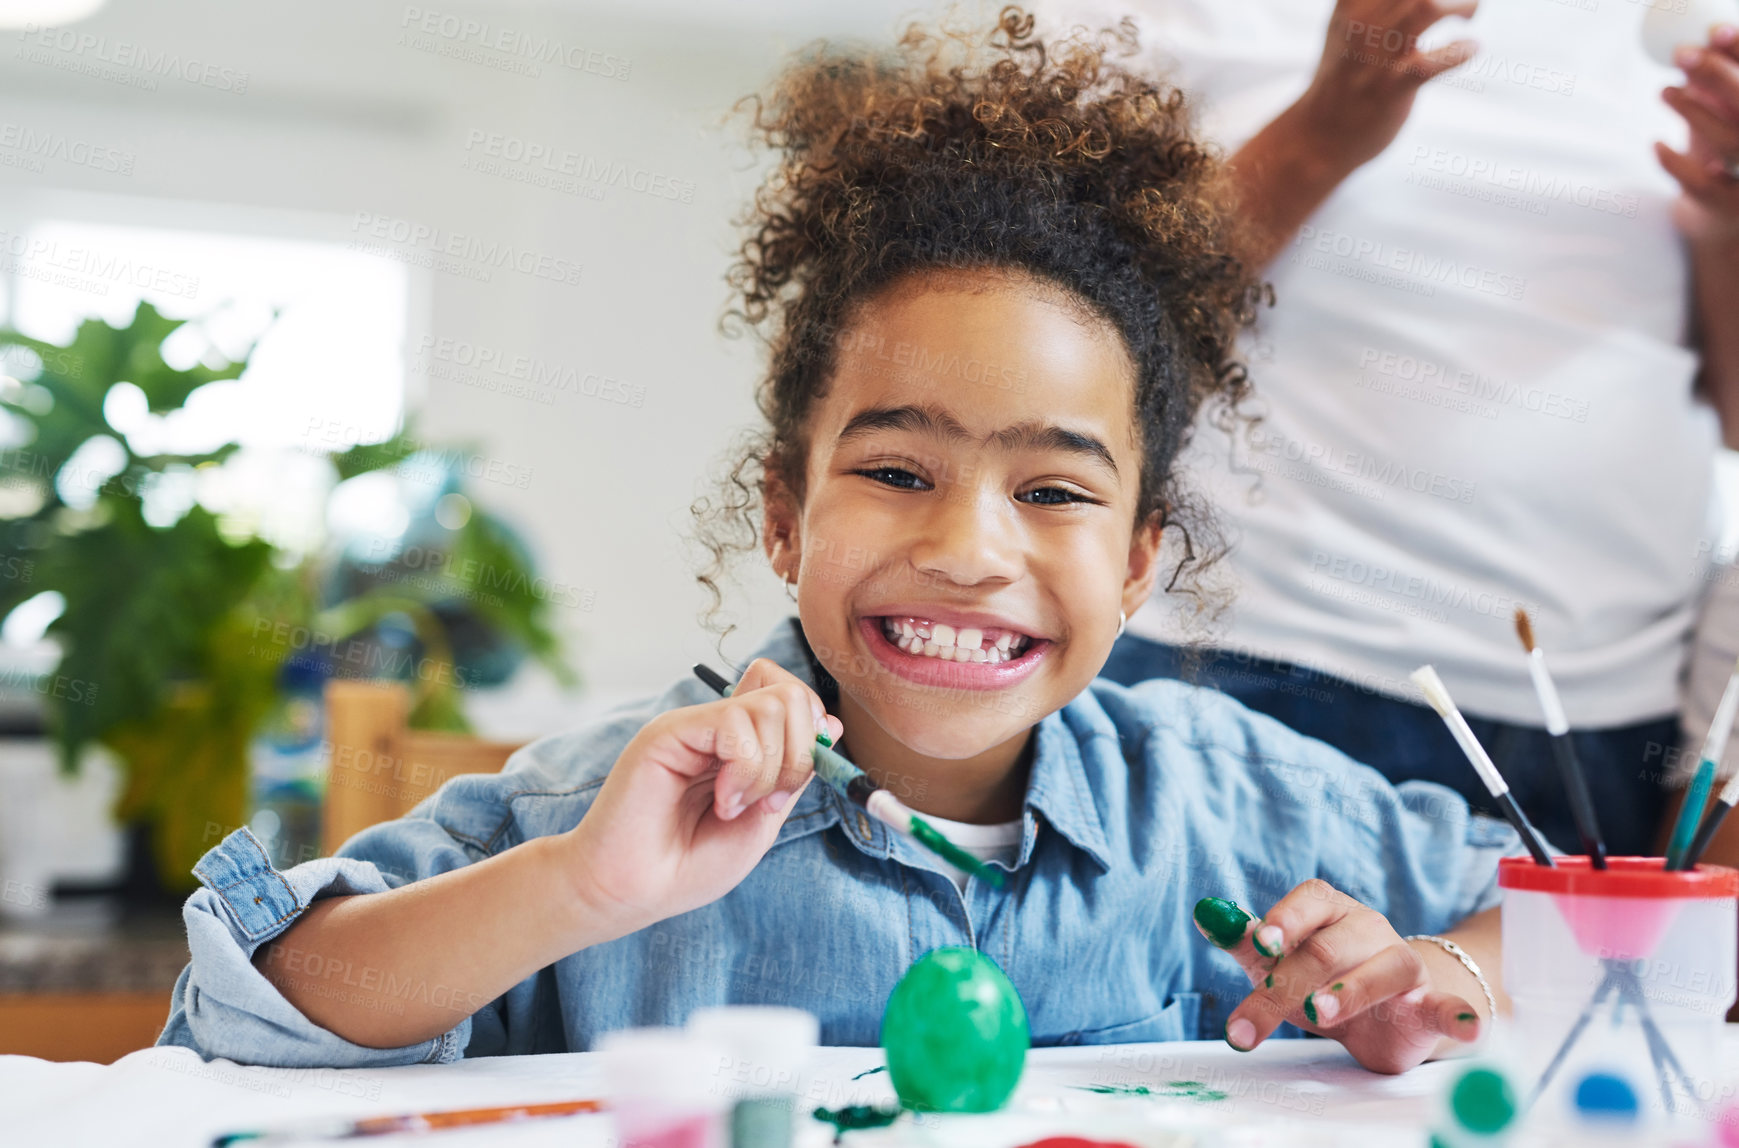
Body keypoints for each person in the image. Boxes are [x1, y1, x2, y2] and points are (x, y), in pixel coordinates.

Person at [158, 10, 1516, 1074]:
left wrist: (1439, 976)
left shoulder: (1225, 803)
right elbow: (242, 1015)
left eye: (1052, 491)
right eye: (894, 469)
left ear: (1139, 561)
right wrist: (574, 889)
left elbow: (1554, 913)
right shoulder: (608, 811)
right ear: (782, 517)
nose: (968, 549)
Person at [1062, 0, 1739, 858]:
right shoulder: (1166, 20)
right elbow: (1077, 333)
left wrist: (1725, 218)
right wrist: (1323, 130)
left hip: (1584, 720)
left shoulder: (1674, 45)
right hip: (1236, 667)